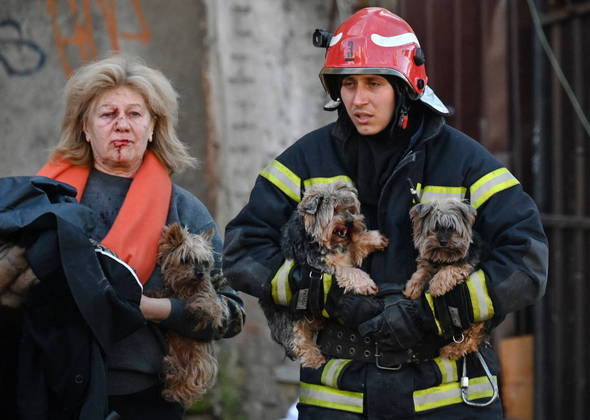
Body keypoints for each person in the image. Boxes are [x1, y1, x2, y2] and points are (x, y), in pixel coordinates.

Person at [224, 7, 547, 420]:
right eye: (349, 84)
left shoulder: (466, 163)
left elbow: (527, 261)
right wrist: (330, 296)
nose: (359, 99)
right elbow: (243, 253)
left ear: (407, 86)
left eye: (374, 83)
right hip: (339, 399)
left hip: (449, 398)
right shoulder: (304, 161)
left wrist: (435, 314)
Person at [1, 55, 245, 419]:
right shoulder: (43, 200)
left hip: (142, 399)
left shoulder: (183, 209)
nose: (121, 125)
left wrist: (153, 309)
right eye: (107, 114)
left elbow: (231, 314)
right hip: (47, 391)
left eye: (134, 114)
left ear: (152, 128)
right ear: (85, 127)